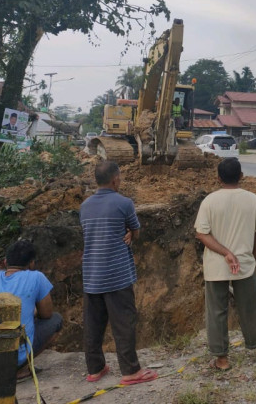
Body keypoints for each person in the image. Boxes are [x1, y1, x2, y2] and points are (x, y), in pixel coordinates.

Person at [194, 158, 256, 371]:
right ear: (241, 175)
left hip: (216, 265)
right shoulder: (252, 200)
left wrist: (225, 253)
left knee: (216, 311)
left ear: (218, 178)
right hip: (244, 264)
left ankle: (221, 360)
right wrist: (253, 254)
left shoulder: (209, 201)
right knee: (249, 307)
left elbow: (201, 234)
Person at [79, 161, 157, 385]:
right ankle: (131, 371)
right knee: (123, 323)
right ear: (115, 180)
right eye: (120, 178)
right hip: (116, 275)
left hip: (91, 275)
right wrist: (131, 234)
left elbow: (90, 234)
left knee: (93, 324)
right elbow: (136, 230)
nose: (120, 181)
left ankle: (95, 369)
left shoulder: (85, 206)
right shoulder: (124, 203)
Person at [0, 240, 63, 381]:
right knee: (56, 320)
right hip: (12, 361)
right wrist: (30, 312)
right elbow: (46, 314)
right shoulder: (36, 277)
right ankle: (19, 371)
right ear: (32, 263)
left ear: (5, 262)